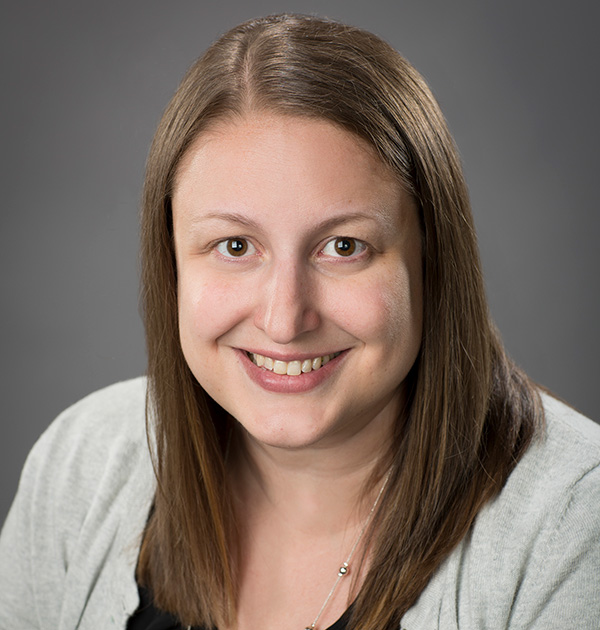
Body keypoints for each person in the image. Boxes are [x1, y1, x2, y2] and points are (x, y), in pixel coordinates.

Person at [1, 13, 599, 630]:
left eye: (343, 247)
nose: (284, 319)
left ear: (432, 259)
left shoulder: (575, 523)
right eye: (235, 246)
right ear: (171, 263)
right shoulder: (82, 464)